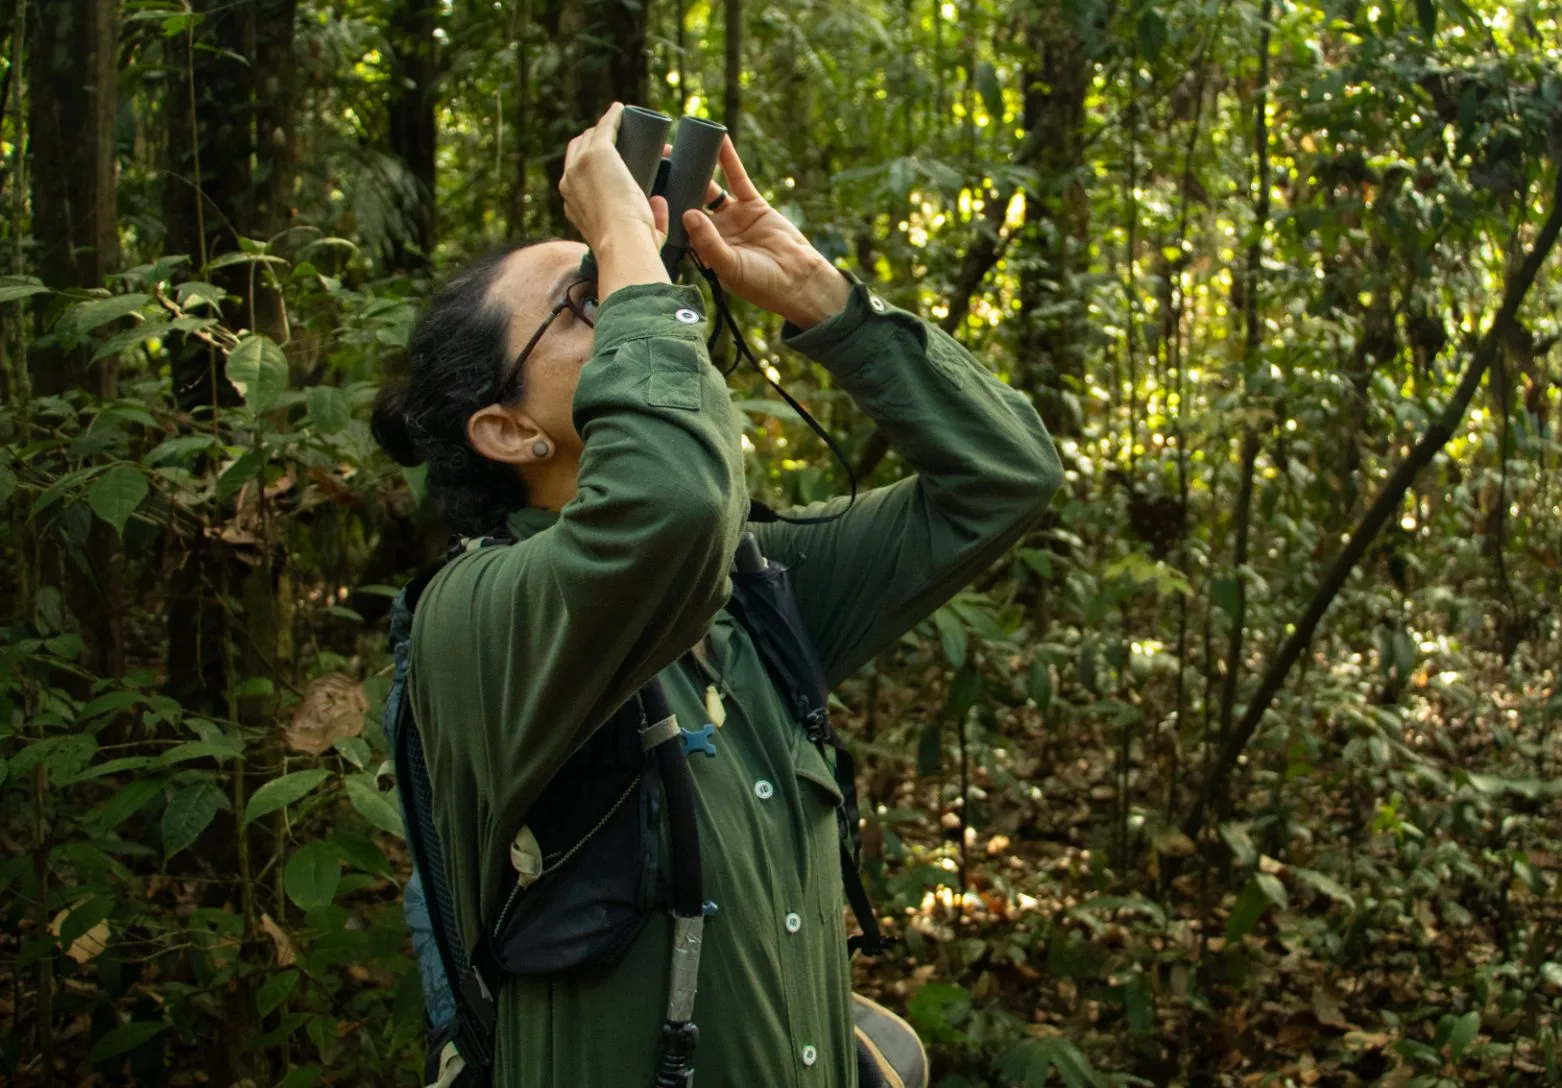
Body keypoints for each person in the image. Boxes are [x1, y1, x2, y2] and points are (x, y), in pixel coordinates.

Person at [370, 102, 1063, 1086]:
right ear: (508, 430)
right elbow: (667, 507)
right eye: (587, 298)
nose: (634, 297)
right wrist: (622, 236)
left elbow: (1003, 475)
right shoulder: (478, 620)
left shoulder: (750, 592)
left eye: (626, 281)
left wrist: (818, 294)